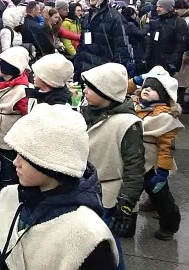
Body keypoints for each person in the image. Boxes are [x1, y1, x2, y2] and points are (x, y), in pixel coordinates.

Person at [0, 104, 118, 270]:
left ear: (51, 160)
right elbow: (5, 248)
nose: (15, 162)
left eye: (25, 156)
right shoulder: (11, 197)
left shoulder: (88, 235)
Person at [80, 63, 145, 269]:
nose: (84, 91)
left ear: (105, 92)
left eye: (90, 88)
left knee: (109, 245)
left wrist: (126, 203)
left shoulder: (126, 123)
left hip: (109, 196)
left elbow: (135, 167)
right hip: (86, 188)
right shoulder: (87, 112)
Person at [129, 68, 184, 240]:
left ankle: (170, 224)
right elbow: (120, 89)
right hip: (133, 157)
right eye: (145, 86)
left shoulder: (166, 117)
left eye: (153, 89)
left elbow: (166, 149)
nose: (146, 90)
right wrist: (136, 79)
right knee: (131, 190)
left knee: (160, 194)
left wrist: (162, 172)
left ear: (163, 94)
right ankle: (129, 219)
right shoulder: (135, 105)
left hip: (152, 162)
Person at [0, 46, 30, 191]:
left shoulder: (22, 91)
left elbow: (27, 117)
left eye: (1, 63)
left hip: (8, 140)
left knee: (7, 174)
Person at [74, 0, 130, 81]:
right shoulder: (87, 17)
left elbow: (121, 47)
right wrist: (78, 66)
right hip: (85, 71)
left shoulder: (114, 17)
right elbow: (82, 45)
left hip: (103, 72)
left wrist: (116, 73)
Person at [145, 0, 188, 76]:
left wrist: (173, 63)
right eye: (157, 6)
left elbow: (180, 45)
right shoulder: (156, 23)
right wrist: (146, 58)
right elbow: (150, 42)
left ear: (168, 8)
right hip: (153, 64)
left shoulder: (179, 22)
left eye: (160, 7)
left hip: (168, 65)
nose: (157, 9)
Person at [120, 6, 148, 77]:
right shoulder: (130, 25)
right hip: (135, 48)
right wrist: (147, 26)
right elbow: (141, 34)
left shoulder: (123, 23)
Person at [173, 0, 189, 112]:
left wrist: (187, 53)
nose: (176, 11)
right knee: (181, 81)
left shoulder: (185, 20)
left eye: (178, 8)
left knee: (183, 81)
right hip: (182, 52)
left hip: (185, 53)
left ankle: (182, 103)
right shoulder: (180, 20)